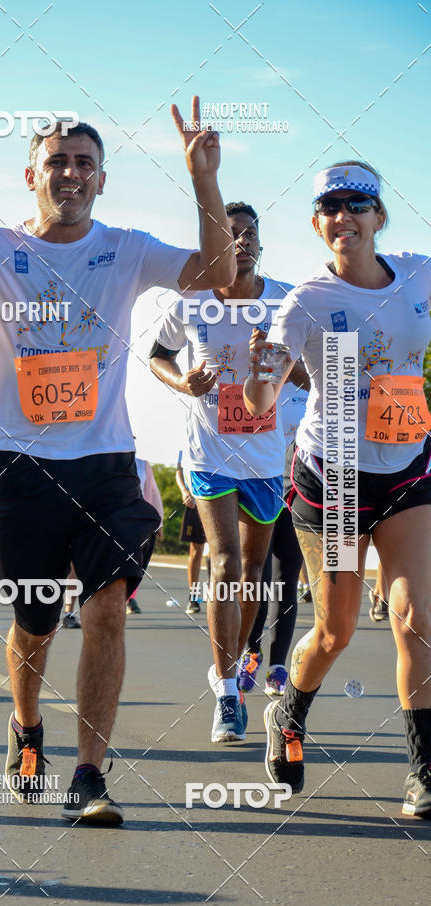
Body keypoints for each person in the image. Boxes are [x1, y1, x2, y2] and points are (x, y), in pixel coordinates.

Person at [0, 88, 235, 824]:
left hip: (105, 460)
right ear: (32, 175)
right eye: (57, 162)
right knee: (35, 622)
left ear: (102, 179)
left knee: (107, 607)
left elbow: (217, 277)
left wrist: (204, 180)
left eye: (85, 163)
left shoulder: (129, 249)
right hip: (18, 464)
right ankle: (27, 726)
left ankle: (92, 775)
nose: (71, 173)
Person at [245, 160, 431, 818]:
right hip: (339, 478)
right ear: (318, 224)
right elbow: (261, 393)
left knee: (419, 621)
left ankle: (424, 774)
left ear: (380, 217)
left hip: (408, 467)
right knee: (337, 631)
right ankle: (289, 713)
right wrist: (261, 373)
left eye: (358, 204)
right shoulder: (307, 303)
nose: (344, 215)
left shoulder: (419, 274)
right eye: (330, 206)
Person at [150, 201, 299, 743]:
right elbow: (156, 355)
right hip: (209, 454)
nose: (241, 242)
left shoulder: (285, 301)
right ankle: (229, 691)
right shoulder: (191, 300)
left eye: (249, 234)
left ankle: (237, 663)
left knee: (254, 573)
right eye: (229, 234)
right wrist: (181, 382)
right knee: (226, 564)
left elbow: (312, 374)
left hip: (265, 456)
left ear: (260, 243)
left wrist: (276, 361)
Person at [238, 370, 309, 696]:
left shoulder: (312, 387)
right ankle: (252, 651)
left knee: (286, 581)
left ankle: (278, 667)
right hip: (257, 492)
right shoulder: (258, 384)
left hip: (296, 494)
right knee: (256, 578)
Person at [126, 457, 164, 614]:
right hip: (118, 521)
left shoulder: (143, 464)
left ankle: (129, 597)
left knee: (137, 563)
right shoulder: (109, 458)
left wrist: (159, 521)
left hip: (140, 522)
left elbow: (153, 493)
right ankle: (124, 597)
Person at [175, 451, 208, 614]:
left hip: (219, 498)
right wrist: (184, 491)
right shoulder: (186, 441)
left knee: (221, 551)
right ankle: (194, 597)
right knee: (196, 552)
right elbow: (179, 470)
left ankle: (219, 594)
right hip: (195, 501)